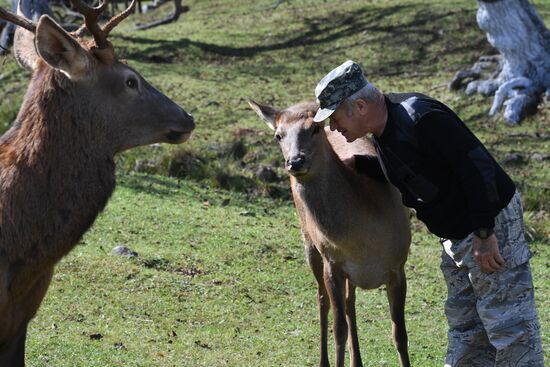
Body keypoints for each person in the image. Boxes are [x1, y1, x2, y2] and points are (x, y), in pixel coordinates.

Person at [313, 60, 544, 366]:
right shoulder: (383, 131)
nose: (333, 128)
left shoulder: (420, 117)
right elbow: (413, 169)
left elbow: (478, 168)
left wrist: (486, 234)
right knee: (467, 328)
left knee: (510, 327)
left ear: (359, 106)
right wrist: (362, 167)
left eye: (335, 117)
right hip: (457, 238)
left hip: (488, 226)